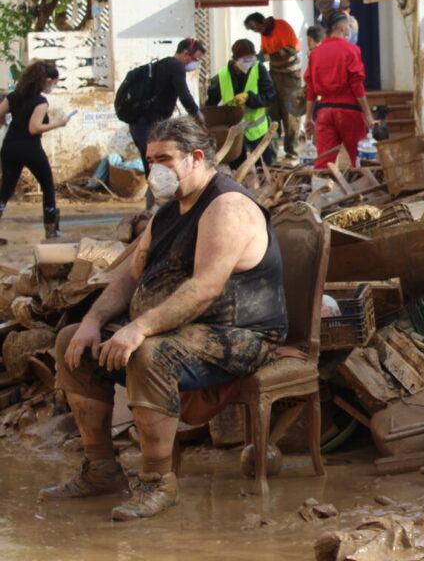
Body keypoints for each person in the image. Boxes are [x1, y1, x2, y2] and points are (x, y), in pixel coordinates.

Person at [42, 116, 286, 521]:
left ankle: (159, 483)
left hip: (240, 333)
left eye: (164, 159)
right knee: (72, 339)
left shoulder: (227, 206)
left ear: (194, 158)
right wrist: (91, 320)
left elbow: (204, 288)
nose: (154, 168)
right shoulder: (168, 211)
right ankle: (101, 468)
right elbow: (129, 277)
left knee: (151, 355)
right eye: (149, 159)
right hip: (179, 327)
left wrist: (138, 328)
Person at [0, 62, 73, 241]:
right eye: (55, 81)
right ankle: (51, 230)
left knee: (6, 189)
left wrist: (5, 122)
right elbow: (34, 128)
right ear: (46, 81)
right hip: (30, 147)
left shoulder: (14, 96)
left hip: (9, 146)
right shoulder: (40, 101)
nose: (54, 85)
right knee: (47, 185)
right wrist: (59, 123)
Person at [303, 14, 375, 168]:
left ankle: (320, 190)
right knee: (358, 158)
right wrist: (368, 113)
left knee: (323, 161)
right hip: (349, 112)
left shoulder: (315, 53)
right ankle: (361, 190)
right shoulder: (352, 50)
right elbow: (357, 85)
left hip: (324, 111)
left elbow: (311, 89)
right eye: (348, 27)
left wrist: (308, 117)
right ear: (343, 28)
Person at [129, 37, 206, 177]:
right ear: (185, 53)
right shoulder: (176, 66)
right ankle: (158, 198)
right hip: (147, 124)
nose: (196, 63)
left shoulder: (163, 64)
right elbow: (185, 96)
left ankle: (155, 196)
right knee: (156, 166)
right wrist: (198, 114)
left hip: (139, 123)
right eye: (195, 59)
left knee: (152, 166)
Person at [205, 39, 277, 168]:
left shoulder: (259, 69)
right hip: (234, 135)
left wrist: (250, 98)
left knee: (263, 170)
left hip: (257, 134)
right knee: (237, 172)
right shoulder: (222, 76)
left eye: (251, 59)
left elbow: (270, 96)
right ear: (235, 59)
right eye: (245, 61)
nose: (249, 64)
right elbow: (211, 107)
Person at [243, 13, 302, 160]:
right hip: (275, 74)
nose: (256, 31)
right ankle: (273, 154)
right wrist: (255, 59)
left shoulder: (282, 27)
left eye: (255, 27)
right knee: (272, 114)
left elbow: (292, 49)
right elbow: (265, 50)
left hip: (291, 76)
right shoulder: (264, 32)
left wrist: (267, 57)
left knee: (291, 115)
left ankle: (292, 153)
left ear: (262, 21)